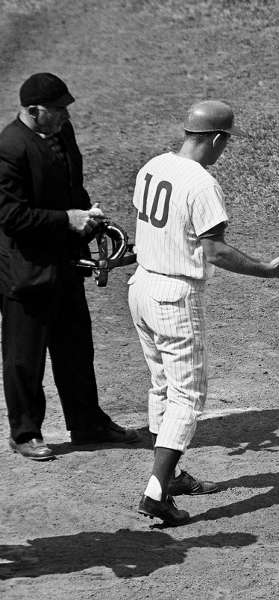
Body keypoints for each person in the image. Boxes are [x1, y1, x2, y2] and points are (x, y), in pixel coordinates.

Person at [129, 100, 279, 526]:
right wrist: (265, 270)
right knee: (187, 396)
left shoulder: (151, 166)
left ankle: (170, 474)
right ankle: (156, 491)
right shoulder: (202, 184)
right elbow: (214, 250)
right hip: (173, 294)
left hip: (140, 287)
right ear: (217, 139)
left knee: (162, 386)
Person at [0, 73, 139, 461]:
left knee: (76, 347)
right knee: (24, 356)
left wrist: (89, 217)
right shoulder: (9, 148)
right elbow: (11, 217)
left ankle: (87, 423)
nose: (65, 114)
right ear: (33, 111)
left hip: (65, 263)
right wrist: (67, 220)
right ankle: (25, 432)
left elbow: (72, 187)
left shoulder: (62, 133)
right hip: (25, 271)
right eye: (57, 109)